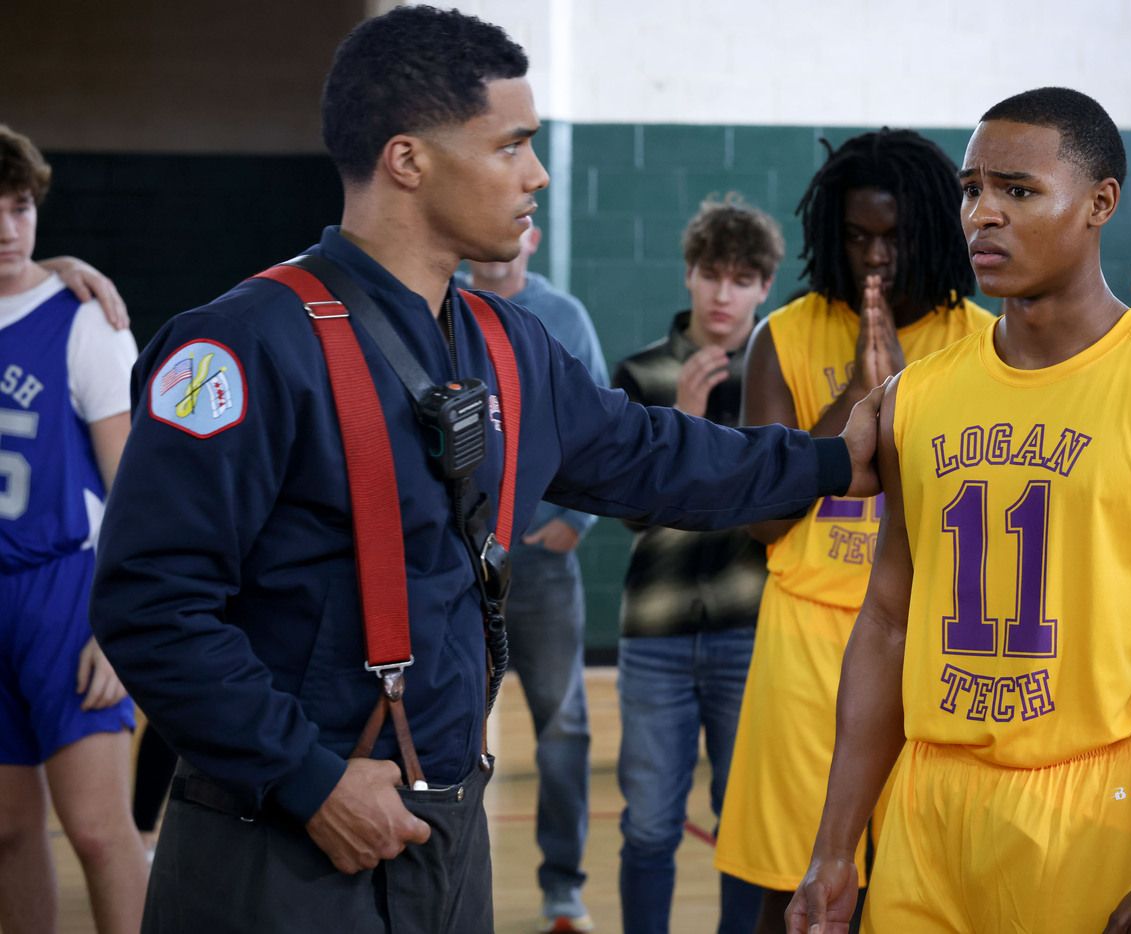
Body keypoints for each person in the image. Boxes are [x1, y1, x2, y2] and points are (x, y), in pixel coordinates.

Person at [87, 8, 882, 933]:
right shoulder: (241, 347)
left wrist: (837, 461)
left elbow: (662, 458)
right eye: (512, 145)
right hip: (279, 841)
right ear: (408, 159)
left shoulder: (511, 347)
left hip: (443, 840)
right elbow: (150, 602)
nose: (538, 173)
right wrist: (307, 780)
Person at [787, 87, 1131, 934]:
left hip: (1093, 806)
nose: (983, 214)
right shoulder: (919, 396)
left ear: (1100, 204)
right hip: (928, 806)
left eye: (1018, 191)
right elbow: (889, 622)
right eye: (973, 188)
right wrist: (836, 845)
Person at [713, 129, 993, 930]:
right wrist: (858, 399)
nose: (876, 257)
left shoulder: (981, 343)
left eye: (895, 237)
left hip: (925, 639)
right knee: (794, 887)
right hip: (804, 644)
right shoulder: (785, 335)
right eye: (858, 236)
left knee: (911, 888)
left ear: (934, 232)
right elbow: (763, 516)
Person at [611, 193, 781, 934]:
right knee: (648, 824)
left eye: (742, 280)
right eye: (713, 275)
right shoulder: (642, 372)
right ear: (688, 275)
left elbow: (783, 505)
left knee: (743, 828)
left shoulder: (780, 376)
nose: (724, 294)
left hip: (754, 629)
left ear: (764, 288)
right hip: (655, 631)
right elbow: (631, 509)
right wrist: (679, 420)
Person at [0, 124, 148, 934]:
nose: (6, 229)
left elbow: (135, 488)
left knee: (96, 828)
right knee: (8, 832)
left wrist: (118, 620)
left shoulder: (83, 317)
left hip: (63, 591)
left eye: (19, 208)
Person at [464, 223, 606, 934]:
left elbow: (600, 427)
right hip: (460, 570)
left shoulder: (562, 318)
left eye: (511, 229)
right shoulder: (442, 308)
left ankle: (563, 891)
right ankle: (452, 890)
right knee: (449, 731)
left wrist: (573, 526)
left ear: (534, 237)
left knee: (565, 728)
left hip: (543, 571)